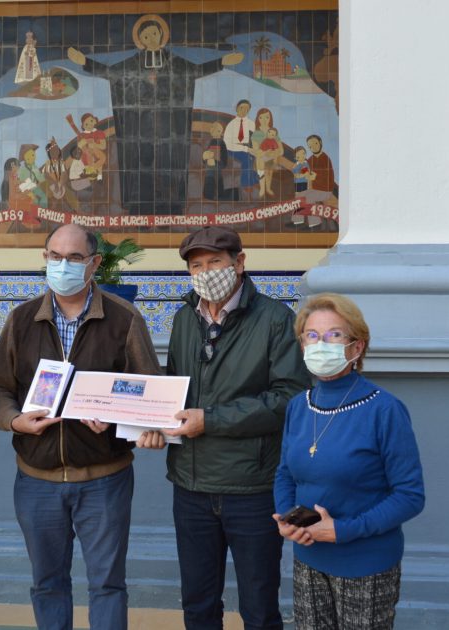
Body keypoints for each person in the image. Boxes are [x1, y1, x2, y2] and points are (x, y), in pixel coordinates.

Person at [0, 223, 161, 630]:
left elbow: (148, 392)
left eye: (75, 258)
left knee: (108, 585)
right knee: (47, 584)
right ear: (45, 259)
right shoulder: (22, 320)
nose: (63, 266)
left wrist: (116, 419)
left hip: (105, 480)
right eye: (56, 257)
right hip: (37, 481)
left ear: (94, 263)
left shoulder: (124, 318)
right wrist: (15, 420)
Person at [138, 226, 311, 630]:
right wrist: (154, 426)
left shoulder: (275, 319)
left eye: (215, 262)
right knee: (197, 604)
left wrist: (210, 419)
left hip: (251, 488)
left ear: (239, 262)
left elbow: (289, 397)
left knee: (259, 606)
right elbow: (176, 389)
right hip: (191, 486)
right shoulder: (185, 318)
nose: (205, 272)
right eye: (196, 265)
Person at [273, 293, 425, 630]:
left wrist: (343, 530)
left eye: (334, 335)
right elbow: (285, 473)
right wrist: (287, 518)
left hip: (365, 563)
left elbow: (410, 496)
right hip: (309, 557)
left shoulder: (384, 409)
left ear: (357, 347)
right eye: (312, 335)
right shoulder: (299, 406)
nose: (320, 345)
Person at [68, 15, 243, 215]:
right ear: (140, 40)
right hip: (140, 131)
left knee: (169, 166)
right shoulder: (131, 64)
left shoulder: (175, 63)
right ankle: (140, 208)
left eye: (153, 33)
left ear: (161, 34)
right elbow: (110, 73)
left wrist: (222, 62)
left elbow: (196, 70)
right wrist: (85, 62)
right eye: (145, 36)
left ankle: (171, 207)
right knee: (141, 169)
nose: (150, 38)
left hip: (169, 130)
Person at [223, 99, 257, 190]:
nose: (244, 111)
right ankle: (246, 185)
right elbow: (227, 144)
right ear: (237, 108)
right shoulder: (231, 124)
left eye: (247, 109)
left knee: (255, 158)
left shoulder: (251, 124)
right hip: (232, 149)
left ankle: (253, 180)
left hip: (246, 148)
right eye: (242, 108)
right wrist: (246, 149)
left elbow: (251, 141)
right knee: (247, 158)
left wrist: (253, 150)